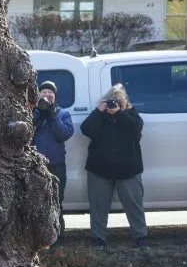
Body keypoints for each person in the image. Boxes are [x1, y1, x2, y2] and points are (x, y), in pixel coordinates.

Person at [81, 84, 147, 249]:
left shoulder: (131, 115)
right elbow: (86, 130)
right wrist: (98, 111)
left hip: (128, 169)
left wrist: (119, 113)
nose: (115, 103)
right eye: (113, 100)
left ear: (126, 101)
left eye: (119, 100)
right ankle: (98, 238)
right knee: (98, 207)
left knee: (134, 205)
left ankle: (140, 236)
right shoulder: (100, 116)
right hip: (99, 169)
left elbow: (135, 130)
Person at [31, 80, 74, 244]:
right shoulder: (32, 112)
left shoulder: (63, 113)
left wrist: (51, 117)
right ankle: (36, 238)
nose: (47, 94)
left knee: (56, 201)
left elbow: (64, 134)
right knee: (35, 202)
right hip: (35, 165)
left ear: (55, 96)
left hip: (56, 165)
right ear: (38, 94)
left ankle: (58, 239)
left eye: (50, 92)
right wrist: (38, 116)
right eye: (44, 92)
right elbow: (25, 133)